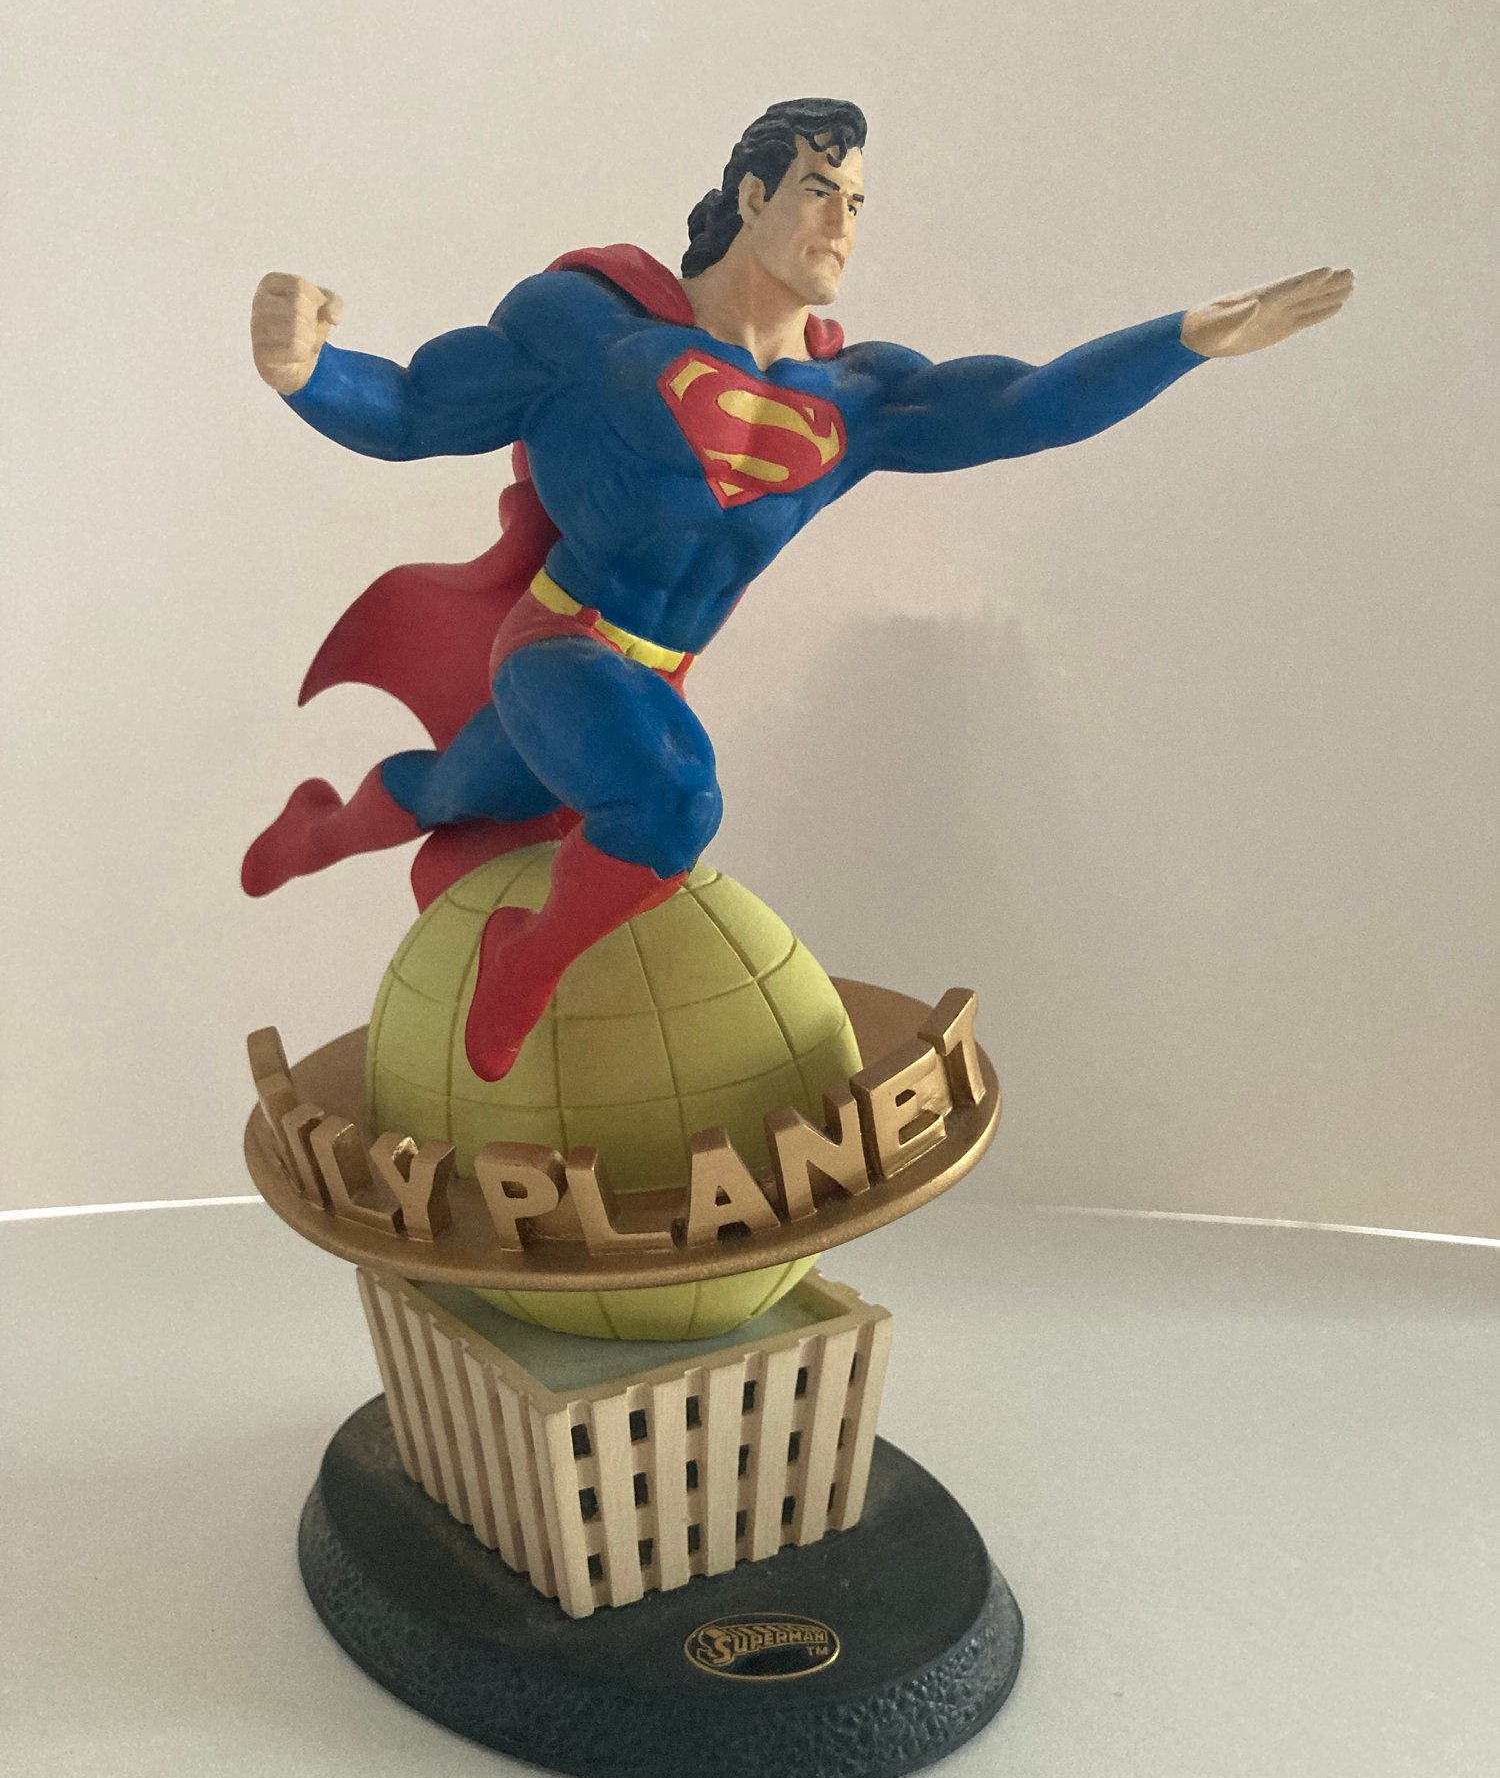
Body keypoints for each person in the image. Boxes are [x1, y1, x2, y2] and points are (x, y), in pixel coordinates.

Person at [243, 97, 1353, 1081]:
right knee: (673, 804)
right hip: (558, 643)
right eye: (822, 189)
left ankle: (325, 826)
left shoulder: (855, 396)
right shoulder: (589, 329)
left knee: (460, 790)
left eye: (859, 202)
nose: (843, 225)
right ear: (752, 195)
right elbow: (415, 407)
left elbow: (1030, 405)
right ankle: (519, 963)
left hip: (653, 678)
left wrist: (1186, 340)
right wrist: (304, 369)